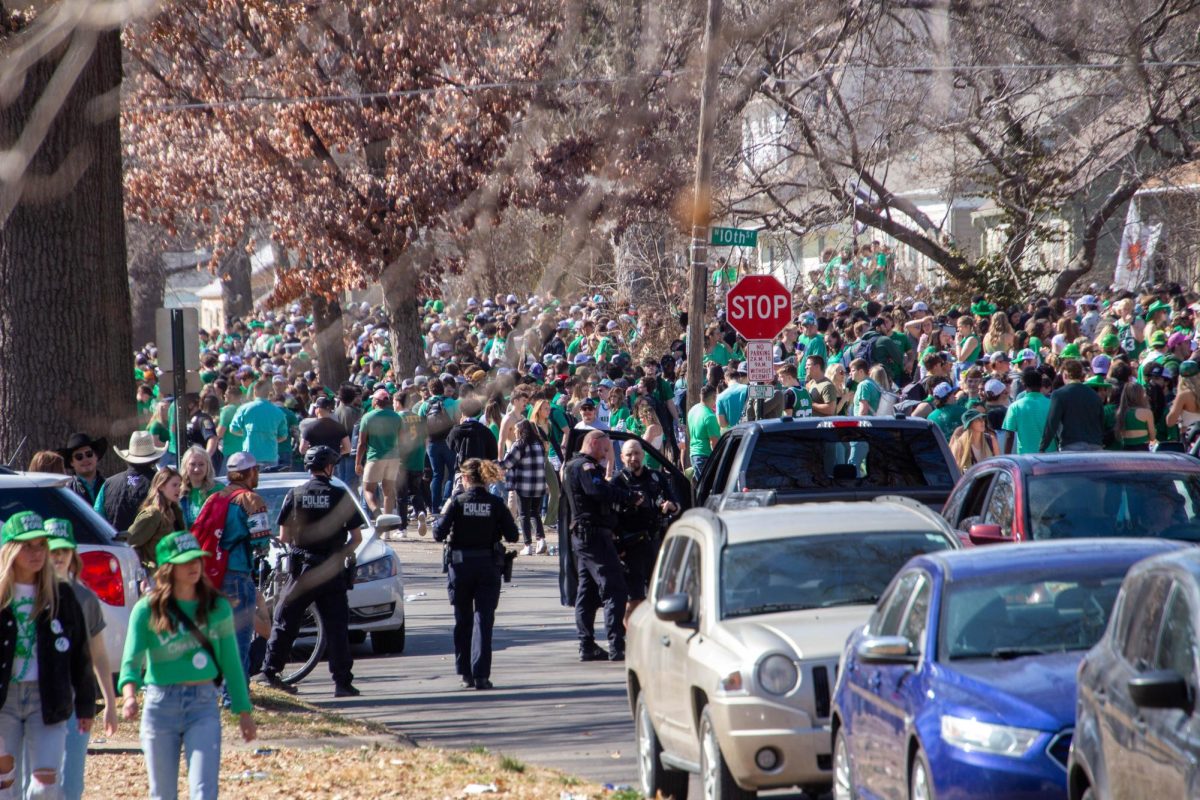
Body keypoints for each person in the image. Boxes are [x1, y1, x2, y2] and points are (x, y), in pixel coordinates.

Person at [119, 531, 256, 800]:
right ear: (168, 568)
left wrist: (244, 711)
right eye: (185, 561)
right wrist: (129, 696)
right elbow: (131, 659)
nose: (194, 565)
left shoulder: (217, 607)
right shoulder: (147, 609)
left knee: (205, 791)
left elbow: (231, 663)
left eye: (197, 559)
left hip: (203, 704)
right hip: (161, 705)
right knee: (163, 793)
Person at [0, 512, 95, 800]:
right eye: (28, 545)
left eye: (42, 545)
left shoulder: (62, 595)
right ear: (11, 549)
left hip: (49, 698)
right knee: (6, 788)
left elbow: (81, 653)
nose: (37, 552)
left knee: (44, 788)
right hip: (5, 702)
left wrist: (86, 704)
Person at [259, 446, 365, 698]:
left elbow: (284, 536)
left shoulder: (295, 494)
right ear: (329, 467)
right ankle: (342, 683)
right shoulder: (340, 495)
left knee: (285, 621)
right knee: (337, 627)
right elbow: (357, 537)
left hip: (302, 570)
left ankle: (269, 672)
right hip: (331, 570)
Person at [41, 519, 118, 800]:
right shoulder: (28, 594)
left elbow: (97, 654)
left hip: (75, 702)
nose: (58, 556)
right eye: (51, 549)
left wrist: (109, 701)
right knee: (36, 783)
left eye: (64, 550)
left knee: (71, 783)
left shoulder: (86, 597)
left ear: (73, 554)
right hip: (35, 700)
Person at [432, 459, 519, 690]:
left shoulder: (457, 502)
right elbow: (513, 535)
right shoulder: (496, 503)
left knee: (463, 620)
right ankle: (481, 675)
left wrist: (444, 514)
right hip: (488, 566)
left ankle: (465, 674)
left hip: (460, 567)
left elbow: (438, 534)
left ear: (466, 478)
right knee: (483, 620)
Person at [562, 431, 643, 662]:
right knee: (615, 589)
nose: (607, 455)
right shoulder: (584, 467)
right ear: (594, 443)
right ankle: (617, 645)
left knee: (587, 593)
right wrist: (627, 497)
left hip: (587, 536)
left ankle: (587, 645)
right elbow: (598, 491)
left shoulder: (576, 466)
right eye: (605, 449)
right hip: (593, 536)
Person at [206, 451, 270, 694]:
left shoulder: (216, 497)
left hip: (213, 575)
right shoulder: (251, 500)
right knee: (240, 640)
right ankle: (235, 696)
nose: (258, 475)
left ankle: (222, 691)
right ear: (250, 472)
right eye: (257, 471)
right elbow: (261, 541)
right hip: (237, 575)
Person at [612, 440, 678, 625]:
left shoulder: (656, 478)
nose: (634, 458)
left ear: (643, 454)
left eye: (637, 453)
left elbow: (676, 504)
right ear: (622, 458)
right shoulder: (618, 482)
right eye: (629, 454)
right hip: (631, 547)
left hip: (657, 543)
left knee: (663, 596)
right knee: (635, 599)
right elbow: (611, 518)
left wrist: (671, 506)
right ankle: (631, 639)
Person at [94, 432, 165, 533]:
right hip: (147, 547)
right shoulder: (159, 483)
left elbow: (97, 518)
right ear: (155, 458)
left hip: (115, 545)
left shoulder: (108, 484)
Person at [497, 421, 547, 556]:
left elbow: (508, 463)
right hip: (539, 484)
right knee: (535, 513)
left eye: (516, 430)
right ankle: (541, 540)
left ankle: (528, 545)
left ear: (521, 431)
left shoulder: (519, 445)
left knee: (524, 514)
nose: (514, 432)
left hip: (524, 484)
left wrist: (495, 463)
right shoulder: (539, 445)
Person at [357, 388, 404, 519]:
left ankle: (377, 513)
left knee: (367, 489)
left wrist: (358, 463)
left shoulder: (367, 417)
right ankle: (387, 524)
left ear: (376, 401)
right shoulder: (396, 417)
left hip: (375, 458)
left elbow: (362, 443)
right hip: (393, 458)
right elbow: (401, 440)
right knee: (389, 492)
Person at [1039, 360, 1105, 452]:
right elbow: (1101, 422)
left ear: (1065, 375)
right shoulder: (1094, 395)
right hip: (1095, 446)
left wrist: (1042, 447)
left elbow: (1051, 423)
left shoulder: (1059, 394)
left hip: (1071, 446)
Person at [128, 467, 185, 571]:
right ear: (161, 486)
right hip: (155, 576)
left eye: (180, 485)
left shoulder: (175, 511)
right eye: (174, 485)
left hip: (172, 573)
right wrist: (147, 567)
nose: (179, 489)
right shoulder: (153, 514)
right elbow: (129, 542)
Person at [229, 379, 289, 471]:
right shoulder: (278, 412)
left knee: (251, 483)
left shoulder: (244, 409)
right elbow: (283, 436)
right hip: (270, 455)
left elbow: (233, 429)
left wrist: (247, 434)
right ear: (269, 393)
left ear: (255, 391)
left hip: (250, 456)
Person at [57, 433, 108, 506]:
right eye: (79, 457)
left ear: (96, 457)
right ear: (71, 462)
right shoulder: (67, 489)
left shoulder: (109, 486)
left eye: (89, 454)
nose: (85, 459)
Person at [178, 447, 220, 528]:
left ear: (208, 466)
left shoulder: (218, 490)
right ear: (185, 466)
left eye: (201, 464)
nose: (197, 469)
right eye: (192, 464)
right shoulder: (178, 491)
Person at [686, 385, 721, 479]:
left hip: (693, 454)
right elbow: (714, 443)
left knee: (701, 488)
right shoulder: (710, 416)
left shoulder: (693, 410)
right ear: (714, 397)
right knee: (708, 490)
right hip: (705, 456)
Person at [1115, 381, 1157, 451]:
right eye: (1143, 392)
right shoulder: (1146, 413)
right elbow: (1152, 437)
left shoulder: (1120, 413)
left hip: (1125, 450)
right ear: (1139, 395)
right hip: (1142, 450)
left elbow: (1118, 436)